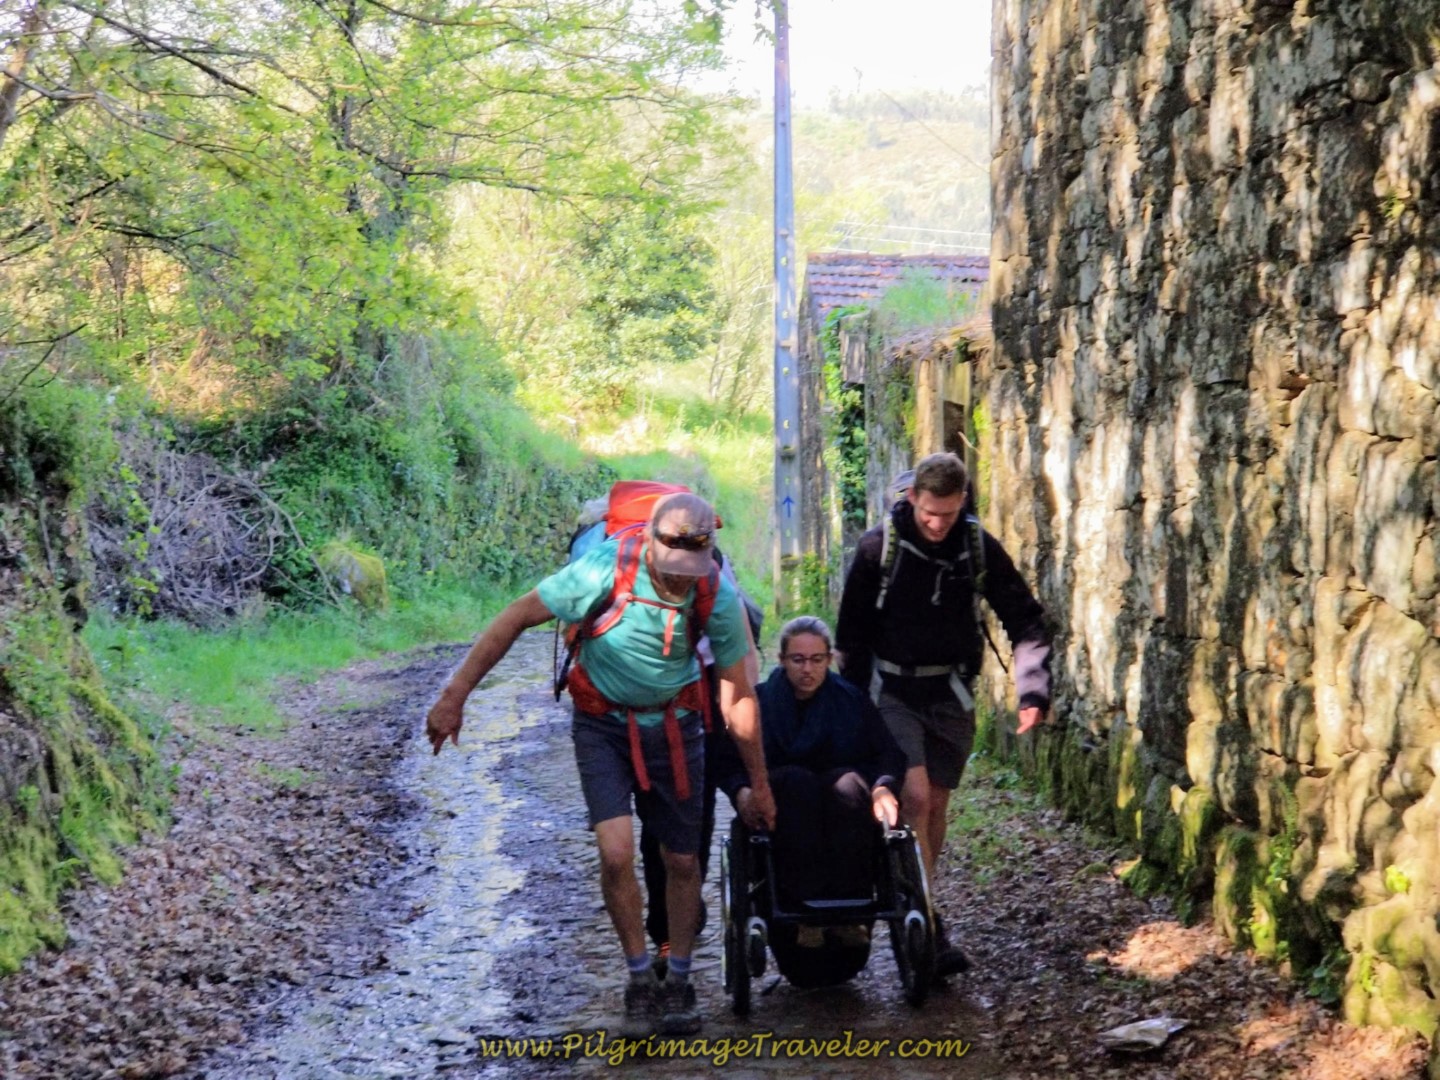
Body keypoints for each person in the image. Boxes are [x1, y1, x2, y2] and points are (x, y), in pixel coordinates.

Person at [426, 492, 776, 1037]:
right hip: (602, 727)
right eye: (673, 571)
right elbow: (518, 614)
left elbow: (737, 693)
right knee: (615, 854)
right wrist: (455, 694)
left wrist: (759, 782)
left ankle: (678, 978)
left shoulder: (715, 593)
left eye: (691, 572)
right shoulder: (604, 568)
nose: (681, 582)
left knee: (682, 862)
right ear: (652, 546)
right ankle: (640, 977)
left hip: (677, 729)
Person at [834, 451, 1051, 977]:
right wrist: (850, 709)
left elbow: (1024, 618)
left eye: (948, 514)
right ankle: (925, 925)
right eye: (930, 513)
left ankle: (915, 898)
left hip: (951, 693)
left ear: (963, 504)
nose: (937, 524)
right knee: (915, 795)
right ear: (913, 499)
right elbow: (851, 637)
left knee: (935, 807)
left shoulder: (975, 546)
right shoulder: (876, 549)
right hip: (892, 689)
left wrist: (1032, 690)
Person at [717, 615, 906, 987]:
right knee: (797, 784)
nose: (808, 669)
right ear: (782, 660)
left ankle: (850, 915)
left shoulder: (851, 700)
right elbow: (726, 758)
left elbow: (887, 754)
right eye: (798, 660)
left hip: (842, 805)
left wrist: (883, 786)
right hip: (785, 802)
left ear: (829, 659)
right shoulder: (762, 702)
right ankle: (804, 916)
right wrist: (742, 792)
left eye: (817, 660)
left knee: (851, 787)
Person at [636, 543, 760, 974]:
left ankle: (674, 925)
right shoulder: (645, 596)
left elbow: (745, 668)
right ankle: (667, 928)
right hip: (656, 716)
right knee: (665, 821)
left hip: (703, 712)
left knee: (689, 822)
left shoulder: (718, 590)